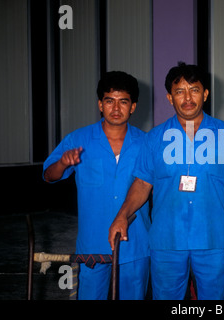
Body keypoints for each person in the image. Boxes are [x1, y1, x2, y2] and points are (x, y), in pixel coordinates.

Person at [108, 62, 224, 300]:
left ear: (205, 94)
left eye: (194, 90)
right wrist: (122, 214)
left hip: (214, 238)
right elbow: (142, 184)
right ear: (169, 97)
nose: (187, 98)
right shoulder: (154, 138)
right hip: (167, 240)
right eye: (179, 91)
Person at [43, 71, 150, 300]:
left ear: (133, 107)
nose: (116, 108)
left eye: (123, 102)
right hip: (93, 243)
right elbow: (49, 175)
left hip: (135, 241)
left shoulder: (146, 143)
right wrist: (62, 162)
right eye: (109, 101)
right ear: (100, 104)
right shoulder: (78, 139)